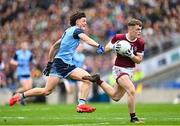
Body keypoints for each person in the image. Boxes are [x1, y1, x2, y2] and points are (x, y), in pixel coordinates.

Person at [9, 11, 104, 113]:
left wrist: (50, 63)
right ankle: (81, 105)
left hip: (59, 63)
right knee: (88, 79)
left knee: (46, 91)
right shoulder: (76, 31)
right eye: (83, 21)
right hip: (63, 64)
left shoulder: (67, 32)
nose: (85, 23)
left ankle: (20, 96)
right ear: (77, 22)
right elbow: (86, 39)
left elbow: (54, 46)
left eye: (86, 21)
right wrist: (98, 45)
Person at [83, 18, 145, 123]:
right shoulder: (119, 37)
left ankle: (98, 80)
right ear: (130, 29)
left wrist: (131, 54)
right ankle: (133, 117)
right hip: (119, 69)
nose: (139, 31)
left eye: (140, 29)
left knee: (115, 97)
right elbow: (105, 48)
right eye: (137, 29)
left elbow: (138, 60)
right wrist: (113, 47)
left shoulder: (141, 42)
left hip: (130, 71)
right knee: (132, 90)